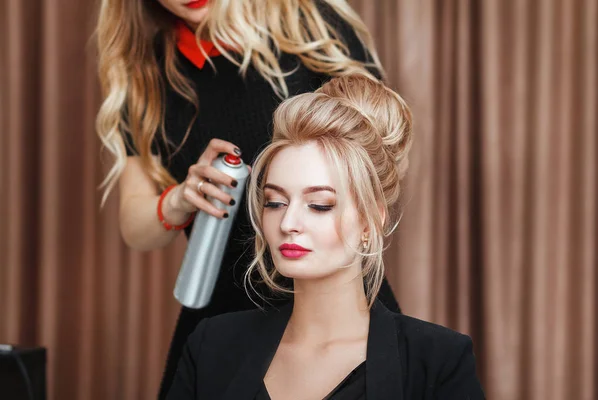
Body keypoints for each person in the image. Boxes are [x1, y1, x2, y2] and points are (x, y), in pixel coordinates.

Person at [95, 0, 402, 397]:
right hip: (224, 312)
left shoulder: (306, 22)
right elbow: (136, 227)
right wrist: (179, 199)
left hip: (342, 313)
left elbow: (385, 157)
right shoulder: (146, 72)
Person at [166, 75, 485, 399]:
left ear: (370, 220)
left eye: (319, 206)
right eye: (275, 202)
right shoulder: (211, 347)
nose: (288, 222)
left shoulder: (437, 363)